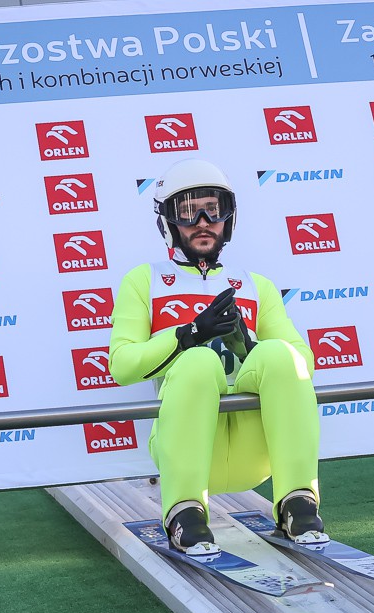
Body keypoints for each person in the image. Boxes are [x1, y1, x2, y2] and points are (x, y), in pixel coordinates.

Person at [108, 158, 326, 553]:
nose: (203, 222)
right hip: (186, 451)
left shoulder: (255, 286)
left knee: (278, 354)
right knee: (199, 360)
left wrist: (248, 347)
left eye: (213, 209)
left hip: (255, 449)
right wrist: (189, 335)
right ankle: (184, 512)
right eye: (188, 212)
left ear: (230, 218)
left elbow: (302, 364)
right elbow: (122, 366)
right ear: (167, 221)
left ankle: (298, 504)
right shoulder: (144, 281)